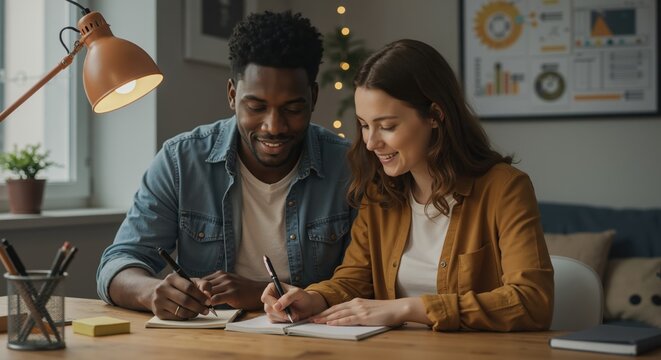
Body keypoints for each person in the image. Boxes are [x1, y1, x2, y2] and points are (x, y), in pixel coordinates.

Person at [262, 39, 554, 332]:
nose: (371, 142)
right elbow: (354, 279)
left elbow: (532, 301)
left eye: (387, 126)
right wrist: (314, 298)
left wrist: (407, 308)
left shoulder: (505, 189)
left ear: (436, 117)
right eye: (364, 124)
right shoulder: (379, 193)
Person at [97, 11, 355, 320]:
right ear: (232, 95)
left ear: (313, 97)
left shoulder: (349, 167)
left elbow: (367, 280)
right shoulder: (181, 160)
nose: (274, 126)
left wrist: (258, 292)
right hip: (211, 343)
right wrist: (150, 292)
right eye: (256, 107)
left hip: (317, 341)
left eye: (293, 108)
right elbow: (118, 263)